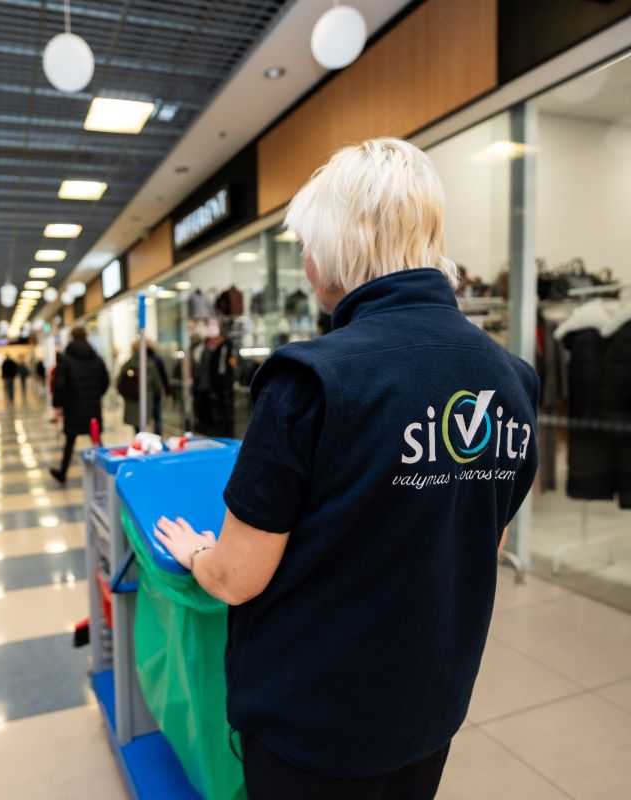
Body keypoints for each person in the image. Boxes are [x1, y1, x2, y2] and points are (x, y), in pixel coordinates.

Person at [154, 138, 539, 799]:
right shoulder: (511, 378)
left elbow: (239, 577)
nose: (306, 261)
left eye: (308, 243)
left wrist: (198, 555)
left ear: (336, 248)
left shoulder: (309, 380)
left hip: (315, 722)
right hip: (432, 705)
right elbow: (484, 537)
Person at [49, 327, 108, 485]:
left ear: (72, 338)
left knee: (70, 441)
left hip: (73, 407)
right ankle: (106, 471)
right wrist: (95, 395)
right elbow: (105, 381)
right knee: (96, 439)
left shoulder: (66, 359)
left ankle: (63, 472)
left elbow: (60, 384)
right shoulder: (96, 358)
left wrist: (57, 403)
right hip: (92, 406)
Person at [118, 340, 169, 434]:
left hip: (132, 399)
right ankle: (156, 438)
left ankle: (140, 439)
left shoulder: (128, 364)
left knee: (137, 424)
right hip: (148, 398)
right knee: (153, 420)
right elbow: (157, 383)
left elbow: (119, 382)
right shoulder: (150, 363)